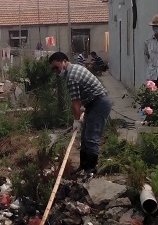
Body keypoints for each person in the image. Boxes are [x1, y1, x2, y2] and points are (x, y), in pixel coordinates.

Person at [48, 51, 112, 180]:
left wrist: (76, 120)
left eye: (57, 67)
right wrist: (86, 105)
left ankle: (91, 170)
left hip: (99, 104)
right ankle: (83, 166)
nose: (55, 71)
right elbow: (85, 89)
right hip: (93, 103)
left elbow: (75, 102)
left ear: (64, 61)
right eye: (53, 69)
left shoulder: (71, 76)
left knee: (91, 137)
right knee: (84, 137)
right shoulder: (75, 68)